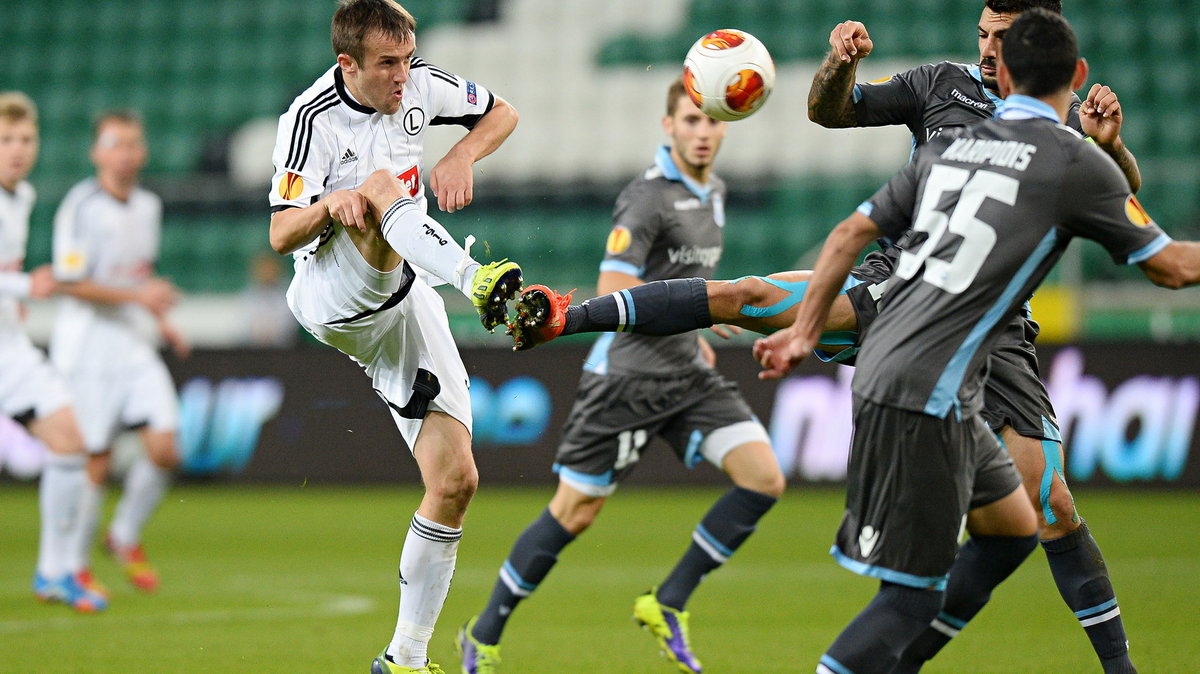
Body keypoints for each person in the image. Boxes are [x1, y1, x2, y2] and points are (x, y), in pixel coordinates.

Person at [756, 10, 1198, 671]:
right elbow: (1168, 261)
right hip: (923, 364)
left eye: (1004, 37)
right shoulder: (951, 94)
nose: (990, 47)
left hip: (976, 339)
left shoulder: (1009, 144)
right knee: (911, 594)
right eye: (984, 33)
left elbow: (850, 234)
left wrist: (806, 336)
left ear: (1023, 60)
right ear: (1072, 72)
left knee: (1031, 517)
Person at [457, 79, 784, 674]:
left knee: (763, 478)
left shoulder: (715, 194)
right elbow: (614, 293)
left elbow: (681, 287)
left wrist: (701, 324)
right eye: (689, 121)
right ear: (668, 128)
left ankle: (669, 602)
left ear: (724, 125)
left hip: (686, 374)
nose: (702, 132)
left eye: (709, 122)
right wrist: (700, 311)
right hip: (626, 382)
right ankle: (481, 633)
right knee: (574, 514)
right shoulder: (647, 198)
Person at [266, 2, 523, 672]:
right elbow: (279, 232)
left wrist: (463, 151)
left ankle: (404, 659)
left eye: (407, 58)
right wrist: (330, 204)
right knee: (378, 187)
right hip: (334, 292)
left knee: (456, 479)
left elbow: (503, 112)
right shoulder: (310, 118)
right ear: (347, 62)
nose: (403, 76)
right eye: (387, 64)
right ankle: (477, 280)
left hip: (408, 295)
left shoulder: (422, 86)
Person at [50, 109, 188, 598]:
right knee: (96, 458)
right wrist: (141, 299)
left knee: (166, 448)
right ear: (97, 152)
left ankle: (124, 534)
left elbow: (136, 279)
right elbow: (69, 283)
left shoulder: (148, 206)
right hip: (87, 348)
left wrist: (162, 321)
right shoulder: (81, 207)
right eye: (116, 144)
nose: (127, 153)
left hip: (133, 343)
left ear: (143, 151)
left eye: (133, 144)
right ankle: (72, 564)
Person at [0, 91, 104, 613]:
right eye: (5, 140)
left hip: (8, 351)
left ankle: (53, 572)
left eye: (25, 139)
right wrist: (22, 288)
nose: (17, 150)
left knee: (68, 441)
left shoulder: (20, 196)